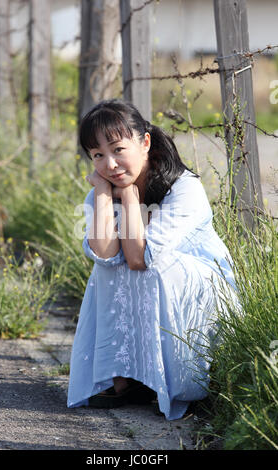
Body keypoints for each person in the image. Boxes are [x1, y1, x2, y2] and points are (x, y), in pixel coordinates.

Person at [67, 99, 237, 420]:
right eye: (98, 155)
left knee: (153, 268)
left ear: (145, 142)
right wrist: (103, 193)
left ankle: (179, 376)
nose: (110, 164)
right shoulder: (106, 187)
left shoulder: (184, 188)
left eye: (118, 149)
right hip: (155, 274)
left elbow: (139, 258)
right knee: (106, 269)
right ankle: (127, 374)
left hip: (198, 288)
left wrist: (130, 197)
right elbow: (103, 255)